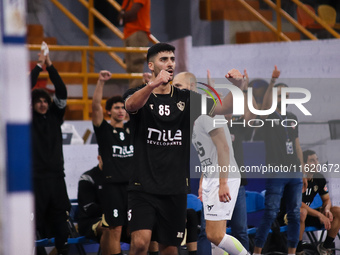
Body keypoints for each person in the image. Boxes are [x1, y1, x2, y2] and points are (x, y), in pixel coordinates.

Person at [123, 42, 244, 255]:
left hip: (175, 188)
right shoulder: (139, 94)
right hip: (142, 186)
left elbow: (224, 108)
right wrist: (152, 86)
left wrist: (237, 86)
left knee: (170, 249)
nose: (170, 63)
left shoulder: (187, 99)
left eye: (172, 59)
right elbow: (130, 106)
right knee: (141, 242)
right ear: (151, 66)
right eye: (163, 59)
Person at [253, 66, 307, 255]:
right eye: (279, 95)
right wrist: (273, 81)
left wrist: (303, 171)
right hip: (276, 172)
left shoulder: (292, 117)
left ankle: (292, 252)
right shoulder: (267, 116)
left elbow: (297, 146)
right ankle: (257, 251)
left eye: (286, 95)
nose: (283, 98)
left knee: (294, 214)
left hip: (294, 172)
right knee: (270, 213)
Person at [31, 43, 70, 255]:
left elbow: (62, 91)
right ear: (32, 104)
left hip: (57, 179)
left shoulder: (56, 116)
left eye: (46, 101)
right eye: (39, 101)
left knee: (62, 232)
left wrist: (50, 65)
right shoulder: (26, 119)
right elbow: (24, 87)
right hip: (35, 181)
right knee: (31, 230)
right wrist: (39, 65)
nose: (43, 104)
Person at [192, 112, 248, 255]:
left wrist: (223, 183)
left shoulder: (207, 115)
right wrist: (202, 181)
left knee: (214, 234)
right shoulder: (197, 119)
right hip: (212, 177)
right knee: (216, 235)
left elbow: (224, 148)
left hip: (222, 177)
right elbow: (209, 156)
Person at [92, 72, 134, 255]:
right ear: (109, 111)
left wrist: (148, 84)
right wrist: (100, 82)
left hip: (134, 187)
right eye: (116, 107)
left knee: (137, 230)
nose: (120, 110)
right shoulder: (104, 130)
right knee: (115, 229)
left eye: (123, 107)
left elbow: (142, 108)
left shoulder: (132, 129)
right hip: (112, 187)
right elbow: (95, 108)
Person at [295, 150, 340, 255]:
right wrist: (319, 214)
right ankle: (298, 250)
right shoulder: (297, 178)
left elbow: (326, 200)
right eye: (312, 160)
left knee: (337, 211)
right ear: (304, 164)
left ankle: (324, 248)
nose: (316, 163)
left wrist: (327, 209)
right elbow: (297, 203)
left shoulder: (318, 177)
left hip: (307, 215)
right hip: (289, 215)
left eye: (317, 160)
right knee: (302, 212)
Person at [77, 151, 107, 247]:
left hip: (115, 217)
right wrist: (114, 210)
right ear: (99, 158)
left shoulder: (119, 178)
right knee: (108, 227)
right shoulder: (87, 178)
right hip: (89, 222)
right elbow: (90, 209)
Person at [119, 0, 151, 88]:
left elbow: (131, 14)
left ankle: (133, 96)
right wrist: (124, 16)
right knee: (130, 68)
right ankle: (132, 96)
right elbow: (120, 17)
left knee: (136, 67)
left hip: (138, 32)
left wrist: (124, 16)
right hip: (128, 34)